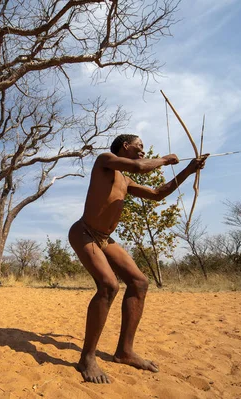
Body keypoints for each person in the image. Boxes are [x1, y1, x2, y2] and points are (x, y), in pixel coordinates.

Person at [68, 134, 208, 383]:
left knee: (139, 282)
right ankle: (87, 358)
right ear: (125, 146)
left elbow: (156, 193)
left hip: (103, 238)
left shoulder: (125, 179)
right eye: (139, 146)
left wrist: (188, 169)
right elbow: (138, 166)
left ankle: (124, 351)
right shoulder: (106, 160)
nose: (143, 151)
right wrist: (164, 159)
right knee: (109, 285)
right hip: (83, 232)